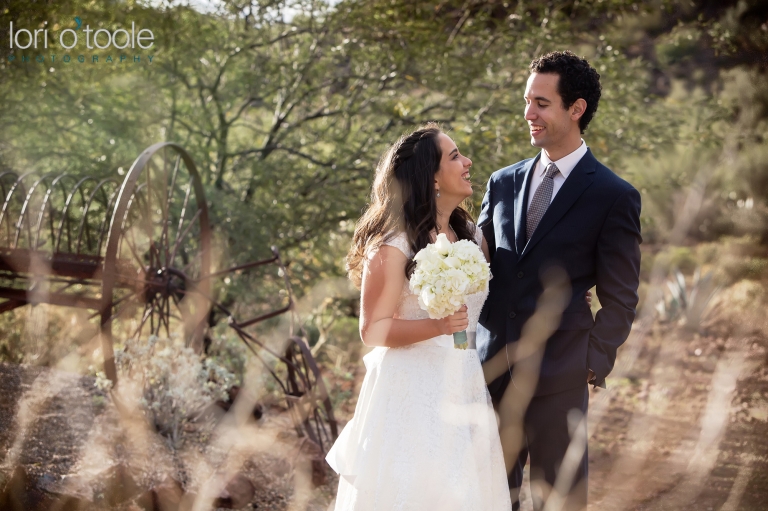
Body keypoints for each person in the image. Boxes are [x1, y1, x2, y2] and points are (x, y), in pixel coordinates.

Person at [477, 51, 642, 510]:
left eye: (542, 103)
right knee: (489, 498)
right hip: (490, 372)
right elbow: (478, 263)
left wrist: (590, 362)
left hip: (561, 377)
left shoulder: (614, 195)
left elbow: (621, 297)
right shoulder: (502, 182)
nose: (528, 113)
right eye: (527, 101)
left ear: (576, 108)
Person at [325, 123, 512, 510]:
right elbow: (372, 330)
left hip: (465, 383)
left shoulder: (472, 236)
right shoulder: (393, 245)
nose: (468, 162)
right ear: (433, 178)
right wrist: (438, 326)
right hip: (409, 392)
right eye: (455, 156)